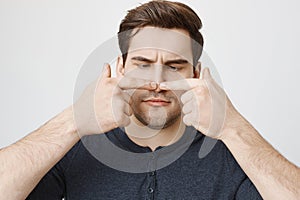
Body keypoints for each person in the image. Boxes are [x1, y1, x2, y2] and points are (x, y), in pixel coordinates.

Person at [0, 1, 299, 199]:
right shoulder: (77, 147)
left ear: (196, 73)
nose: (158, 82)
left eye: (174, 66)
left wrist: (233, 127)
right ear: (122, 68)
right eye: (143, 63)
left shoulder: (229, 153)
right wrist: (74, 120)